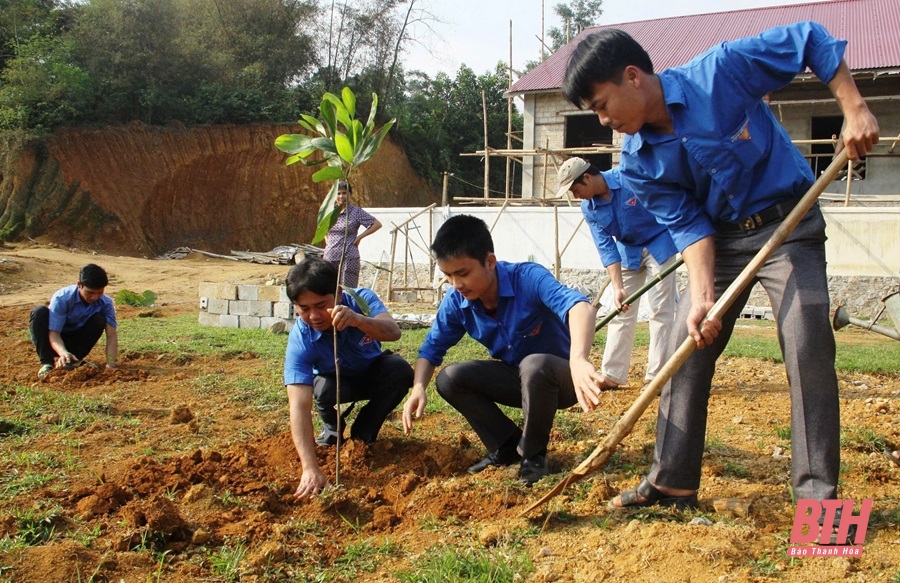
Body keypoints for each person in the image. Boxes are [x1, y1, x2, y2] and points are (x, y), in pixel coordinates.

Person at [561, 22, 879, 516]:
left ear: (632, 77)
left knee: (806, 340)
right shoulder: (639, 160)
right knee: (686, 350)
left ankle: (818, 500)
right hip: (722, 242)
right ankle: (673, 484)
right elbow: (690, 227)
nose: (602, 121)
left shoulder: (720, 72)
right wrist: (704, 298)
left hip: (787, 225)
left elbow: (810, 40)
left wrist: (854, 107)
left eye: (601, 105)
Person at [402, 215, 606, 486]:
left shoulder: (528, 278)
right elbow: (431, 349)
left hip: (562, 379)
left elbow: (579, 307)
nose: (456, 284)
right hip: (517, 378)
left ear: (489, 261)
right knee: (449, 379)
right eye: (448, 275)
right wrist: (418, 388)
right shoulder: (456, 301)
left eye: (463, 273)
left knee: (535, 365)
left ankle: (533, 457)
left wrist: (578, 360)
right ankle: (506, 445)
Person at [283, 257, 413, 499]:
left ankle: (365, 430)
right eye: (304, 309)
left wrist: (357, 320)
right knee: (323, 389)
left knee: (400, 371)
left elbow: (393, 332)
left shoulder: (362, 300)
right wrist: (310, 468)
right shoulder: (301, 339)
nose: (314, 316)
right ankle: (333, 428)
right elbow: (299, 406)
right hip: (336, 383)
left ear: (339, 294)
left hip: (373, 372)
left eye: (321, 305)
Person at [557, 158, 678, 389]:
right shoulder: (588, 208)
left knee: (660, 309)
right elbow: (606, 247)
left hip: (659, 243)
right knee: (620, 309)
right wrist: (617, 286)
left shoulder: (629, 177)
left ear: (587, 177)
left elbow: (664, 200)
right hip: (627, 251)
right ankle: (612, 375)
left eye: (575, 189)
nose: (575, 196)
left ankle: (657, 377)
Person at [29, 263, 118, 377]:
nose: (95, 297)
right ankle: (47, 363)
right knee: (39, 312)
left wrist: (111, 363)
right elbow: (54, 333)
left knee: (99, 319)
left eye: (100, 292)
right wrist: (63, 352)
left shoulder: (106, 303)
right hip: (53, 341)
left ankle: (74, 360)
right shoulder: (62, 298)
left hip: (76, 340)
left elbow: (111, 336)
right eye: (90, 292)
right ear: (79, 285)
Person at [322, 179, 382, 287]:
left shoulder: (356, 212)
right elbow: (322, 229)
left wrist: (359, 238)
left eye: (344, 193)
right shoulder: (329, 212)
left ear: (350, 194)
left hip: (348, 256)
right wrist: (328, 243)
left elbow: (377, 224)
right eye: (338, 193)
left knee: (347, 290)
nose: (341, 196)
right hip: (330, 256)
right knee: (329, 288)